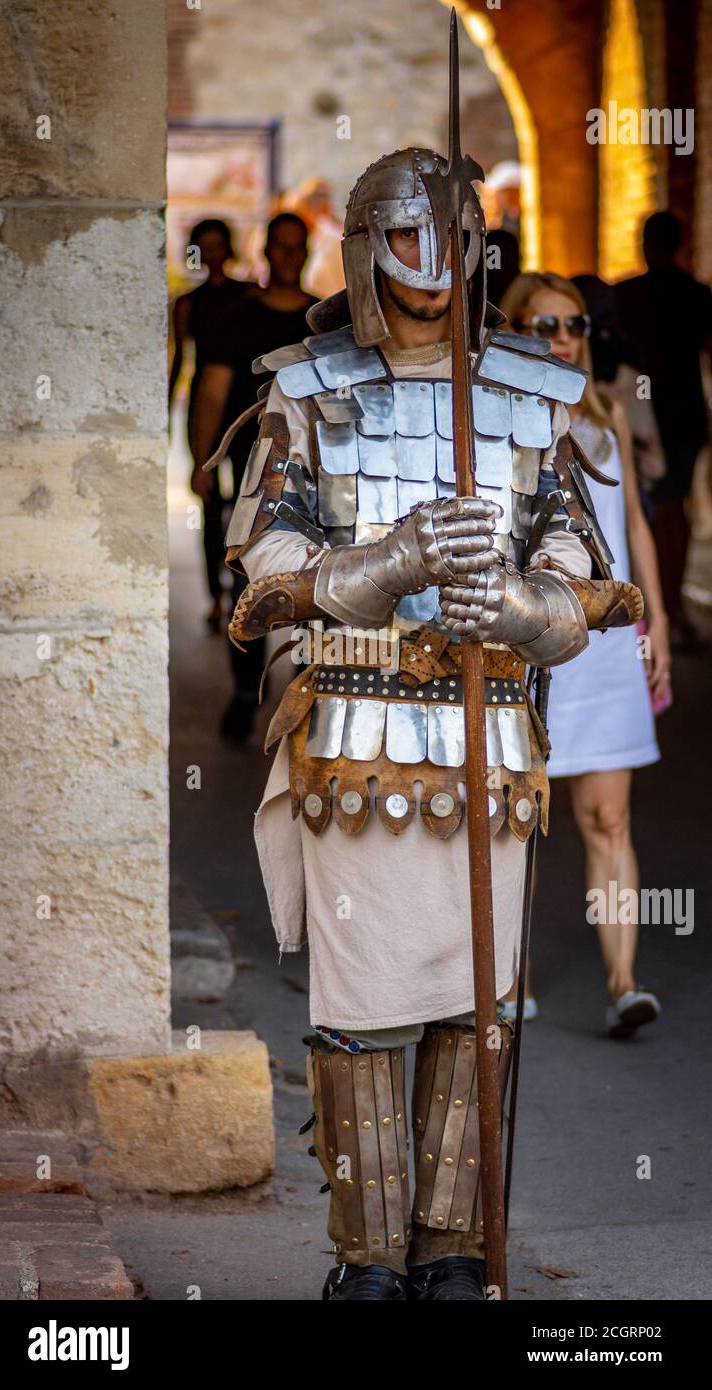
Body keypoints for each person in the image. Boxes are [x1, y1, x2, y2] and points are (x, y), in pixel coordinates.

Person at [220, 143, 641, 1300]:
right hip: (354, 735)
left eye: (445, 235)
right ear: (363, 249)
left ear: (475, 247)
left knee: (476, 1000)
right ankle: (366, 1257)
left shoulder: (528, 395)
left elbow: (590, 573)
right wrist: (388, 560)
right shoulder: (307, 391)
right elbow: (257, 580)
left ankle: (452, 1247)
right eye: (400, 237)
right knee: (364, 1005)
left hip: (490, 733)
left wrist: (519, 600)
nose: (425, 260)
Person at [501, 272, 670, 1037]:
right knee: (516, 817)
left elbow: (633, 528)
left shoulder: (604, 420)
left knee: (609, 817)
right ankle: (510, 978)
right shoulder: (493, 427)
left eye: (572, 324)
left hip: (606, 647)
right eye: (542, 326)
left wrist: (656, 623)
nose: (562, 338)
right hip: (527, 640)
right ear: (513, 335)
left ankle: (624, 984)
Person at [191, 214, 318, 739]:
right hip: (251, 479)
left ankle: (308, 691)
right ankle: (246, 692)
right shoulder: (236, 318)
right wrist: (202, 462)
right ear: (266, 251)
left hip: (319, 484)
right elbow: (212, 392)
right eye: (280, 247)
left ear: (307, 252)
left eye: (297, 247)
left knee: (315, 587)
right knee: (250, 585)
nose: (288, 256)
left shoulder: (326, 322)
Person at [616, 211, 712, 642]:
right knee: (676, 510)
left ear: (645, 245)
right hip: (684, 415)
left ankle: (660, 611)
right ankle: (669, 608)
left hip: (642, 414)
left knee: (648, 512)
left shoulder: (629, 295)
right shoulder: (697, 295)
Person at [168, 219, 252, 631]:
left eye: (218, 245)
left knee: (241, 503)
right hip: (205, 407)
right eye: (204, 247)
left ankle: (239, 589)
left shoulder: (248, 296)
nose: (212, 253)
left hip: (241, 408)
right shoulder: (188, 304)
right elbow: (180, 362)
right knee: (207, 501)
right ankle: (215, 596)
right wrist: (167, 413)